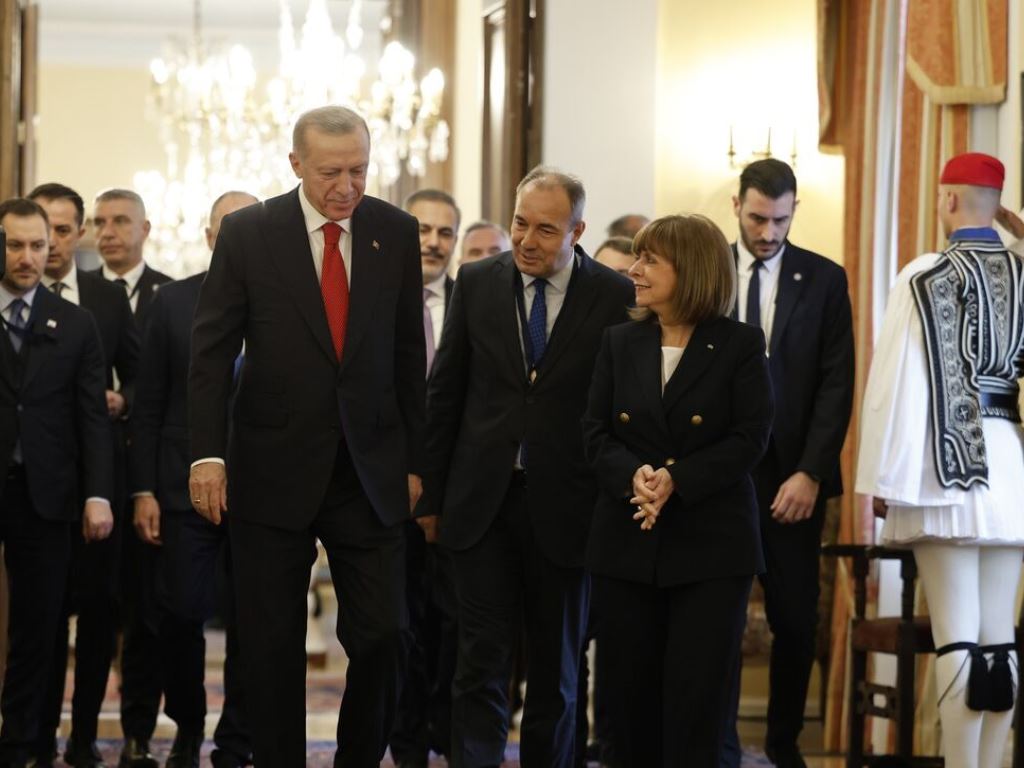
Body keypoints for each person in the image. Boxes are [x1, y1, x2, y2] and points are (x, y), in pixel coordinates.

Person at [188, 105, 425, 766]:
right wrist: (207, 455)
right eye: (331, 173)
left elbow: (409, 354)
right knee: (269, 648)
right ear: (296, 164)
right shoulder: (249, 233)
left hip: (368, 471)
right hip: (271, 467)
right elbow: (210, 353)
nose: (347, 187)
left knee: (385, 635)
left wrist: (416, 463)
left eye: (359, 170)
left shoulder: (394, 232)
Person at [422, 166, 633, 767]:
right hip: (482, 506)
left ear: (577, 232)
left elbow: (620, 410)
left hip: (569, 510)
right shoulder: (477, 281)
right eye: (520, 223)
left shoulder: (614, 297)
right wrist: (430, 498)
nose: (526, 240)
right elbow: (446, 394)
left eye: (545, 229)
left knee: (555, 674)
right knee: (479, 666)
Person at [583, 214, 772, 766]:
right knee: (628, 704)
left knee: (697, 707)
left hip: (711, 548)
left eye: (650, 261)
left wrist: (677, 479)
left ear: (690, 271)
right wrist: (633, 477)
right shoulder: (619, 341)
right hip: (627, 542)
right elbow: (594, 432)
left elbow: (751, 438)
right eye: (637, 258)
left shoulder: (740, 344)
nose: (634, 270)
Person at [857, 152, 1024, 768]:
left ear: (949, 199)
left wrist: (884, 475)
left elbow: (898, 384)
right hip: (1010, 459)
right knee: (999, 636)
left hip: (945, 462)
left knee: (957, 632)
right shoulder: (1023, 272)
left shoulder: (924, 274)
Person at [722, 158, 855, 768]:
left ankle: (783, 745)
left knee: (796, 621)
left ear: (794, 210)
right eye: (757, 218)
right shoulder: (709, 270)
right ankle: (717, 743)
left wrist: (811, 472)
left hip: (793, 478)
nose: (768, 232)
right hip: (720, 476)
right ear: (737, 206)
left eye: (780, 219)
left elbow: (836, 383)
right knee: (715, 619)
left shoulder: (824, 279)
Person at [131, 191, 258, 768]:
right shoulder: (171, 302)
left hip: (264, 492)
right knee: (181, 611)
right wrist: (144, 490)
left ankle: (236, 739)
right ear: (209, 238)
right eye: (226, 229)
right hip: (184, 489)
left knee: (254, 622)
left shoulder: (285, 300)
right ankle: (188, 723)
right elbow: (148, 405)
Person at [28, 183, 140, 768]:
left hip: (99, 479)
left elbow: (142, 376)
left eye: (63, 230)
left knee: (99, 612)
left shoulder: (106, 297)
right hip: (33, 485)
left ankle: (84, 735)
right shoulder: (12, 297)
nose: (51, 242)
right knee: (41, 617)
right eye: (41, 229)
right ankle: (38, 733)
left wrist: (122, 399)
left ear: (80, 234)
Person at [0, 197, 113, 768]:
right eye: (14, 245)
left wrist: (97, 494)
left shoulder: (75, 322)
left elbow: (92, 416)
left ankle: (22, 745)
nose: (27, 257)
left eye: (37, 245)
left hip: (46, 497)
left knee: (38, 628)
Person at [92, 188, 171, 768]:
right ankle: (79, 730)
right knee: (97, 606)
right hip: (92, 475)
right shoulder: (78, 294)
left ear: (145, 228)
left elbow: (172, 380)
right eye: (100, 222)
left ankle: (139, 732)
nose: (108, 231)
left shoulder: (173, 292)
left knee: (147, 610)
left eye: (121, 221)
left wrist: (129, 400)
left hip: (152, 473)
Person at [390, 188, 459, 768]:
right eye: (422, 230)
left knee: (453, 627)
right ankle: (406, 742)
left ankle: (450, 734)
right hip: (386, 494)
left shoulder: (474, 302)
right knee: (397, 628)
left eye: (445, 232)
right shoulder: (378, 297)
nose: (433, 243)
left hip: (460, 496)